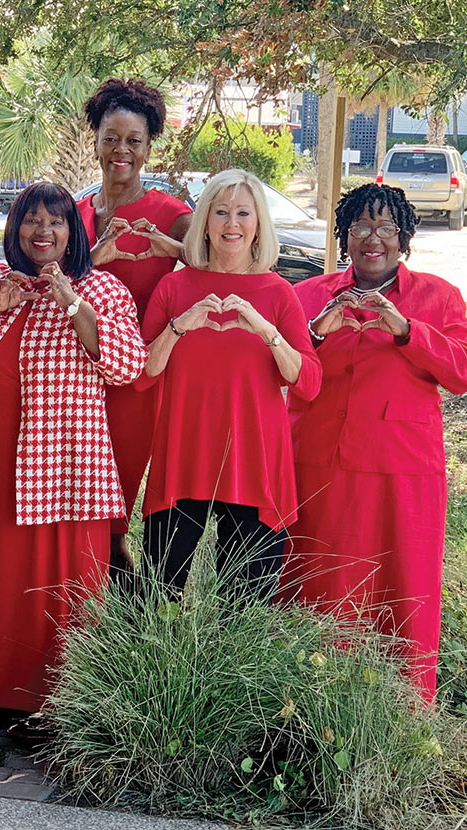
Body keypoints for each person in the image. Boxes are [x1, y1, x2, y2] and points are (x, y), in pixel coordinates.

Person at [0, 182, 148, 737]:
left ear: (72, 232)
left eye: (55, 222)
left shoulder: (100, 288)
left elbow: (126, 365)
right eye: (31, 221)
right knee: (1, 580)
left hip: (66, 465)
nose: (43, 232)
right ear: (15, 230)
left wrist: (72, 303)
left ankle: (58, 703)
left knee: (62, 582)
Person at [282, 183, 467, 702]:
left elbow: (465, 373)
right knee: (318, 587)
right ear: (344, 236)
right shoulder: (308, 294)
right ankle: (306, 704)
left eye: (387, 228)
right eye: (361, 227)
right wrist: (318, 331)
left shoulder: (437, 297)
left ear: (404, 237)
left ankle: (400, 717)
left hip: (402, 472)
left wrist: (408, 330)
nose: (374, 238)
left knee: (403, 588)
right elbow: (277, 368)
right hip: (318, 467)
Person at [140, 169, 321, 602]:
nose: (232, 224)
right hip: (184, 456)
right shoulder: (174, 286)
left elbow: (308, 382)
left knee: (245, 606)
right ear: (205, 221)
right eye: (220, 212)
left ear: (259, 223)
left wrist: (266, 332)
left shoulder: (279, 293)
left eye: (243, 212)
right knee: (154, 599)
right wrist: (179, 326)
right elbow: (142, 374)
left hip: (254, 461)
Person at [76, 78, 192, 582]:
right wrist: (94, 256)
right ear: (95, 140)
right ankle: (77, 620)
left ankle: (130, 629)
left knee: (113, 517)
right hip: (72, 383)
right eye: (110, 137)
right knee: (77, 510)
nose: (121, 150)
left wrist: (172, 248)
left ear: (150, 147)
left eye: (134, 141)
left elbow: (223, 265)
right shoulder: (74, 214)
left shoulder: (174, 216)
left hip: (136, 384)